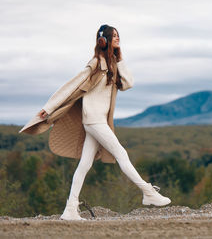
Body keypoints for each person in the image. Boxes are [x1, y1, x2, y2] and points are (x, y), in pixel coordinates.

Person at [20, 24, 171, 221]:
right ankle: (148, 192)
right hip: (94, 121)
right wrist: (48, 108)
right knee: (121, 153)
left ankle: (70, 209)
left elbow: (129, 83)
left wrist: (120, 57)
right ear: (103, 40)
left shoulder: (112, 65)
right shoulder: (95, 64)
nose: (117, 39)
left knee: (85, 164)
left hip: (98, 121)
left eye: (118, 36)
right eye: (113, 36)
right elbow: (71, 86)